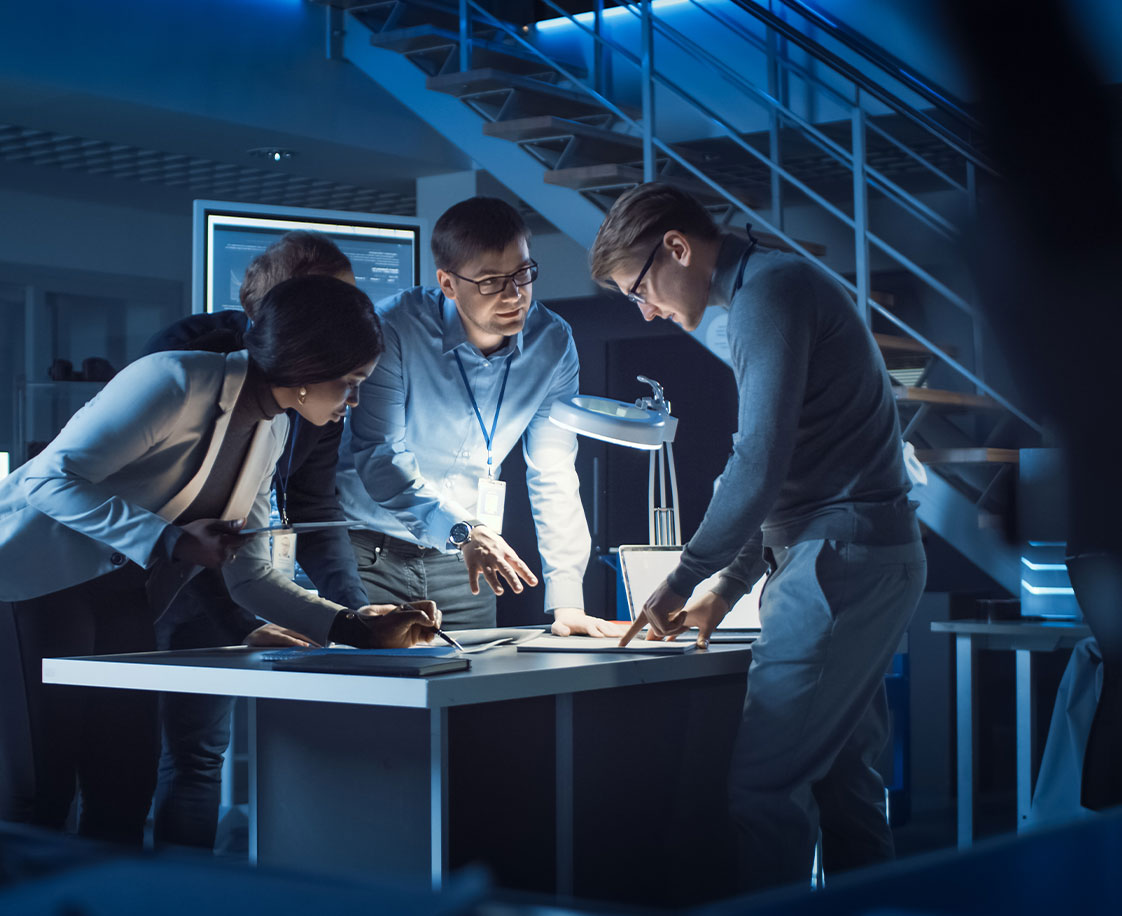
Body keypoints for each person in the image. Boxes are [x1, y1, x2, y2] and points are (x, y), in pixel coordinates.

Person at [0, 275, 439, 845]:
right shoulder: (175, 380)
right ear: (308, 371)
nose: (353, 401)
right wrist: (172, 542)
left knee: (124, 786)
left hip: (116, 587)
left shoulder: (273, 428)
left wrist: (352, 626)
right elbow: (46, 479)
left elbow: (249, 573)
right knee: (43, 786)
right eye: (350, 383)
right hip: (26, 573)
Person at [593, 182, 926, 891]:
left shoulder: (767, 296)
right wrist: (729, 586)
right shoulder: (770, 285)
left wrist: (685, 578)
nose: (646, 310)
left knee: (763, 793)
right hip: (858, 556)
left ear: (677, 248)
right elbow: (783, 467)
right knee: (846, 789)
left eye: (640, 288)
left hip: (840, 560)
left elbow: (759, 461)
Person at [140, 231, 372, 850]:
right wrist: (240, 619)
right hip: (173, 578)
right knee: (186, 755)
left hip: (253, 571)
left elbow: (314, 504)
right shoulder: (190, 360)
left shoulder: (329, 381)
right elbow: (173, 516)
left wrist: (353, 613)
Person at [339, 196, 623, 636]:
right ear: (448, 283)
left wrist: (567, 600)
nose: (514, 296)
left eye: (523, 274)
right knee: (373, 694)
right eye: (491, 281)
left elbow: (554, 471)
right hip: (370, 553)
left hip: (466, 560)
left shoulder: (553, 341)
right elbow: (380, 454)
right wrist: (462, 530)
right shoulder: (393, 328)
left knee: (470, 693)